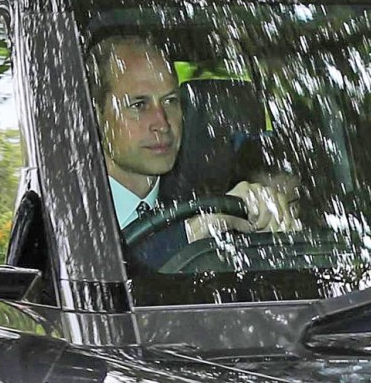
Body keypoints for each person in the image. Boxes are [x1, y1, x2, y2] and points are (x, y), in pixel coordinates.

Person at [86, 35, 299, 269]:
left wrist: (271, 225)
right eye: (139, 105)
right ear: (97, 114)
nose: (162, 123)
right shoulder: (66, 207)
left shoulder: (200, 193)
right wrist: (195, 231)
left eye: (170, 101)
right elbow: (96, 282)